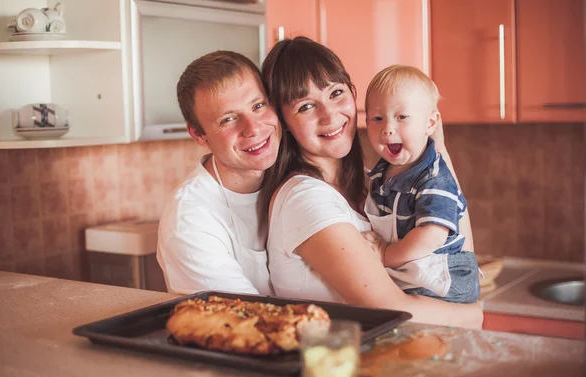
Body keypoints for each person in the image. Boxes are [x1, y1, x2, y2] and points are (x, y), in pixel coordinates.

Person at [260, 36, 482, 328]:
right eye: (305, 107)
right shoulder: (305, 199)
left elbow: (455, 234)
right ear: (283, 122)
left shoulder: (373, 183)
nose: (329, 115)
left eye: (336, 93)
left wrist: (433, 143)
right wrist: (474, 314)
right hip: (334, 367)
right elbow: (392, 311)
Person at [157, 51, 281, 295]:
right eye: (228, 119)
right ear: (199, 135)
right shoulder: (190, 222)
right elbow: (249, 321)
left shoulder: (294, 175)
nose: (253, 129)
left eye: (258, 106)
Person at [363, 64, 480, 303]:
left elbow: (432, 236)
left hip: (445, 277)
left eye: (402, 117)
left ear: (430, 123)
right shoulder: (380, 174)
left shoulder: (433, 178)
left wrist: (386, 254)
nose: (388, 129)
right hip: (416, 271)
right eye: (377, 118)